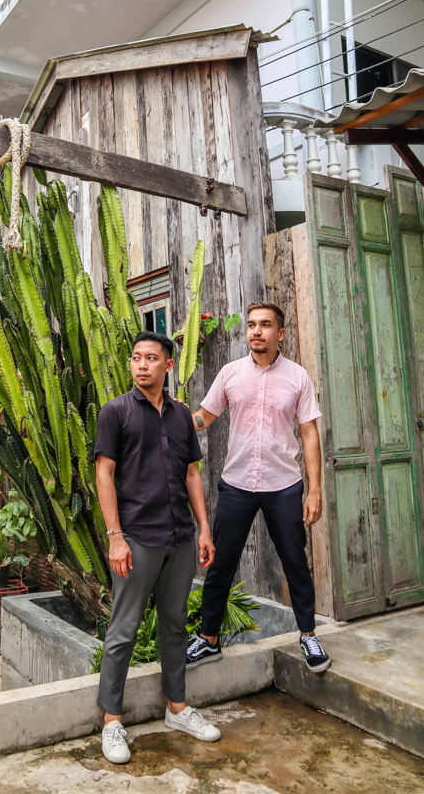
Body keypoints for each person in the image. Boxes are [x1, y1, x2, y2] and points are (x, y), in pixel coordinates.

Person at [95, 331, 221, 765]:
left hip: (180, 536)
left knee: (174, 624)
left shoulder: (182, 415)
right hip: (137, 538)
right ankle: (112, 721)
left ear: (168, 365)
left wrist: (204, 529)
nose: (141, 365)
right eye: (136, 358)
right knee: (123, 630)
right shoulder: (115, 412)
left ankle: (177, 708)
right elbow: (104, 474)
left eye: (151, 358)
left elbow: (191, 474)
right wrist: (115, 536)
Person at [186, 302, 331, 675]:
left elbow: (309, 433)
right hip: (237, 484)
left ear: (279, 333)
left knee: (295, 561)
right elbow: (205, 416)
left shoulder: (298, 377)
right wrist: (173, 417)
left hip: (283, 485)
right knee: (221, 563)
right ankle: (208, 639)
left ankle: (308, 635)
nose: (256, 331)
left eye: (265, 325)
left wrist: (315, 490)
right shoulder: (231, 373)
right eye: (251, 324)